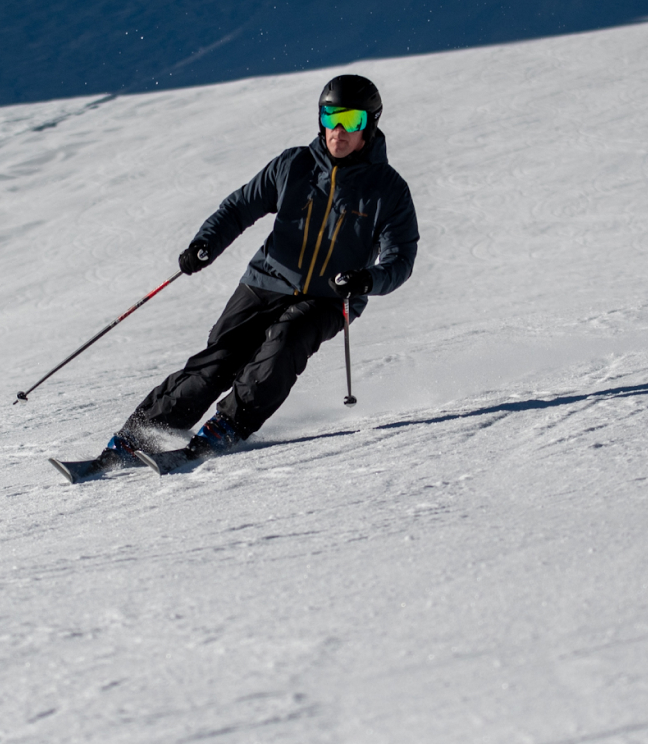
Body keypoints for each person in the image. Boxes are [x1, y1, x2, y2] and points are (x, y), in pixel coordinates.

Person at [91, 74, 420, 470]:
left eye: (351, 121)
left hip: (329, 297)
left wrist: (367, 279)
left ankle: (225, 428)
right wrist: (205, 244)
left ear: (371, 124)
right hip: (265, 281)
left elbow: (400, 259)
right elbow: (239, 208)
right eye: (331, 116)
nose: (338, 130)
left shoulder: (388, 188)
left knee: (285, 341)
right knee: (217, 362)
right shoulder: (293, 165)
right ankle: (139, 436)